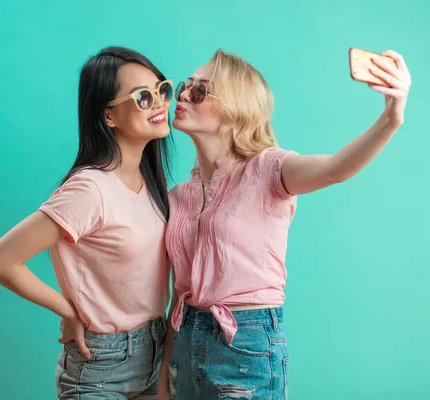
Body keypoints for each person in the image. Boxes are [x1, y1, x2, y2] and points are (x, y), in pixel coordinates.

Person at [157, 48, 411, 399]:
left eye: (199, 90)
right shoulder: (178, 197)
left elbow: (336, 169)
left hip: (244, 344)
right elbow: (177, 291)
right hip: (186, 340)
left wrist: (391, 117)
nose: (183, 94)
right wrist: (164, 372)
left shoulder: (269, 170)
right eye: (187, 85)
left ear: (235, 107)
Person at [0, 46, 175, 399]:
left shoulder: (151, 184)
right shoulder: (89, 189)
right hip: (101, 365)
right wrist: (66, 309)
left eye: (162, 89)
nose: (160, 103)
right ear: (109, 116)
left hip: (154, 351)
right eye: (143, 97)